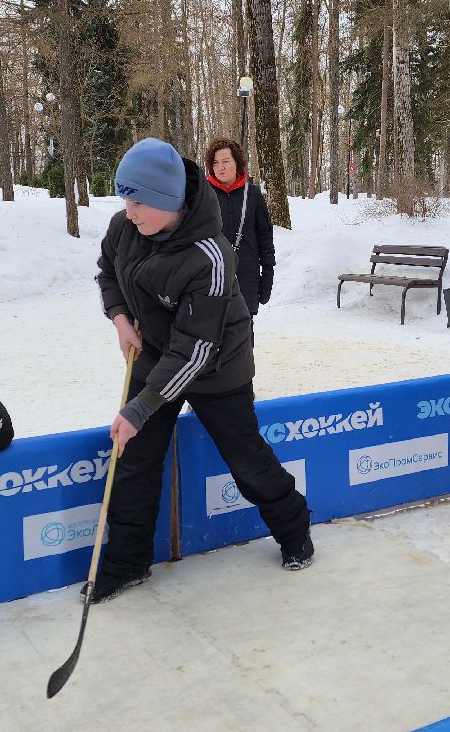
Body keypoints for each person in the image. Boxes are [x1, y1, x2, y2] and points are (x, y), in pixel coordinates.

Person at [93, 137, 312, 603]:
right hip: (154, 353)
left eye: (137, 200)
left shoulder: (210, 256)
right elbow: (107, 272)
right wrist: (120, 319)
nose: (128, 210)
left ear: (167, 200)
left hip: (216, 365)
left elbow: (195, 351)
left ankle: (294, 527)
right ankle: (128, 563)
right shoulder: (124, 227)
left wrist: (140, 408)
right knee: (133, 461)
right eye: (124, 198)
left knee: (246, 460)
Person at [203, 137, 276, 320]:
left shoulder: (252, 194)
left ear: (237, 162)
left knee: (243, 341)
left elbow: (265, 237)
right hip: (210, 279)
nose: (220, 167)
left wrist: (268, 273)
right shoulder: (203, 195)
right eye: (215, 163)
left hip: (246, 278)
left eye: (226, 161)